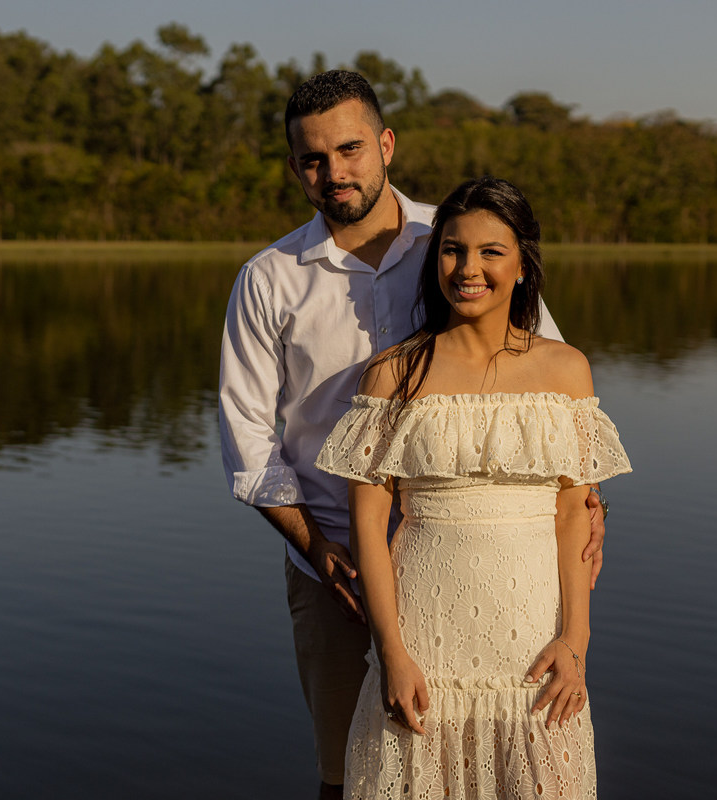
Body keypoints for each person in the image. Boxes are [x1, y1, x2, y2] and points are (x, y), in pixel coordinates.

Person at [218, 71, 608, 798]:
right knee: (355, 774)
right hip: (338, 569)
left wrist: (589, 506)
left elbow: (549, 396)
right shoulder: (268, 280)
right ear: (295, 166)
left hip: (497, 570)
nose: (334, 172)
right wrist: (317, 548)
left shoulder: (458, 238)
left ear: (386, 145)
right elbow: (247, 444)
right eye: (312, 159)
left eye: (350, 149)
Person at [314, 176, 631, 798]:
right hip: (425, 637)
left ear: (522, 265)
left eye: (491, 252)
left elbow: (574, 516)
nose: (468, 269)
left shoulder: (567, 369)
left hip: (534, 639)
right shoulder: (393, 374)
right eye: (453, 250)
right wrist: (391, 651)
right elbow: (368, 527)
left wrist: (576, 642)